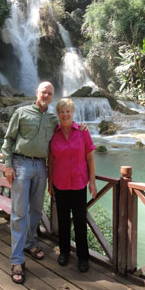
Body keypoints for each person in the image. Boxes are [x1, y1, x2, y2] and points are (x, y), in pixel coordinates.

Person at [2, 81, 58, 284]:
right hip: (21, 164)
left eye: (50, 94)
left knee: (36, 209)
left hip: (41, 167)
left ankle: (28, 242)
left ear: (53, 97)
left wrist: (82, 128)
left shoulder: (53, 118)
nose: (46, 96)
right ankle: (17, 260)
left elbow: (67, 131)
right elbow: (8, 139)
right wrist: (8, 165)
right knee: (19, 213)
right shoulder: (22, 112)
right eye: (44, 92)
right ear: (37, 92)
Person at [48, 98, 97, 273]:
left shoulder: (83, 132)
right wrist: (50, 183)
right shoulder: (54, 133)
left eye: (68, 111)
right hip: (60, 184)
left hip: (78, 184)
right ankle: (64, 252)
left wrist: (92, 181)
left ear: (73, 113)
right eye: (62, 111)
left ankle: (83, 257)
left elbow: (90, 158)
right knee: (62, 220)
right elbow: (51, 161)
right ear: (58, 114)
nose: (65, 114)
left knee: (79, 221)